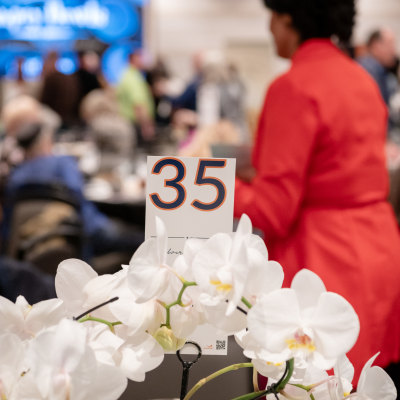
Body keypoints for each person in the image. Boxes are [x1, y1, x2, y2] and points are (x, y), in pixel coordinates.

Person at [234, 0, 400, 384]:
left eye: (272, 18)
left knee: (308, 384)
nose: (269, 29)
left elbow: (274, 210)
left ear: (288, 18)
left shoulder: (293, 86)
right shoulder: (362, 79)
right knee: (363, 381)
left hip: (323, 259)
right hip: (379, 249)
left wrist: (217, 187)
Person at [3, 123, 143, 259]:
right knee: (140, 238)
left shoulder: (15, 177)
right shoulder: (62, 163)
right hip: (84, 232)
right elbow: (77, 195)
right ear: (45, 140)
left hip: (33, 244)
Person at [116, 49, 155, 145]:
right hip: (136, 124)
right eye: (141, 57)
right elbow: (138, 104)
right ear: (134, 59)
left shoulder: (127, 75)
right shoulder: (133, 78)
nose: (143, 60)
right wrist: (146, 125)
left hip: (131, 123)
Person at [358, 29, 398, 106]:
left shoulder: (381, 70)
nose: (393, 51)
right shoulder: (368, 70)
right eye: (389, 45)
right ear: (375, 45)